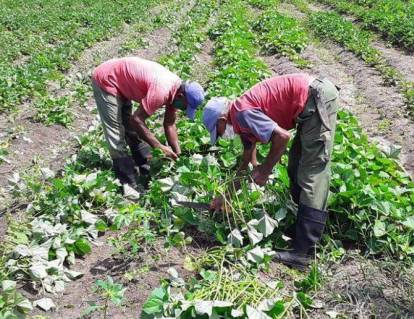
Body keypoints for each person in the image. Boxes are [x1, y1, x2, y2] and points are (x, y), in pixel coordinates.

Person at [202, 74, 339, 270]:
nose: (223, 135)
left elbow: (282, 137)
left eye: (219, 130)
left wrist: (265, 171)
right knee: (295, 166)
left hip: (316, 97)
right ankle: (303, 229)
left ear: (223, 118)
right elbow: (245, 165)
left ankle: (304, 252)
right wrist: (226, 196)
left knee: (311, 172)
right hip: (308, 103)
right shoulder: (241, 122)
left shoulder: (242, 113)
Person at [92, 57, 205, 194]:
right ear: (181, 96)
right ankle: (129, 183)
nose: (183, 110)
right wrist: (158, 146)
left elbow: (169, 124)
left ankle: (145, 169)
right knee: (116, 135)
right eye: (185, 107)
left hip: (122, 81)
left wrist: (178, 154)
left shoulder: (177, 92)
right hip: (107, 79)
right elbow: (137, 120)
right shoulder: (162, 91)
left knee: (131, 130)